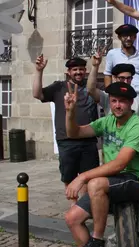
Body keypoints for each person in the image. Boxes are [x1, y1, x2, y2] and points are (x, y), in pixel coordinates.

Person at [64, 81, 139, 247]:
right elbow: (74, 133)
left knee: (95, 184)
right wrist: (70, 112)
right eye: (114, 101)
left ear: (131, 103)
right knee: (72, 218)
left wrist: (82, 177)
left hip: (136, 178)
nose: (117, 106)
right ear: (109, 101)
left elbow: (119, 164)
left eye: (122, 101)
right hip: (112, 179)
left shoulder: (138, 126)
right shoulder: (107, 121)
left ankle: (97, 239)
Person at [32, 55, 100, 207]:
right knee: (69, 175)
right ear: (68, 72)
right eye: (75, 69)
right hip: (67, 140)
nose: (78, 72)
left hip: (88, 139)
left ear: (85, 71)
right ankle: (74, 205)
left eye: (81, 69)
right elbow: (37, 94)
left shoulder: (90, 87)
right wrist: (39, 71)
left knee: (88, 175)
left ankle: (85, 206)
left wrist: (96, 66)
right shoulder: (59, 87)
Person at [103, 24, 139, 106]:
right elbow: (108, 75)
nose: (128, 38)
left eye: (131, 36)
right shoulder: (112, 54)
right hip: (122, 96)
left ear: (135, 37)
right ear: (119, 37)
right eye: (125, 36)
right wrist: (110, 95)